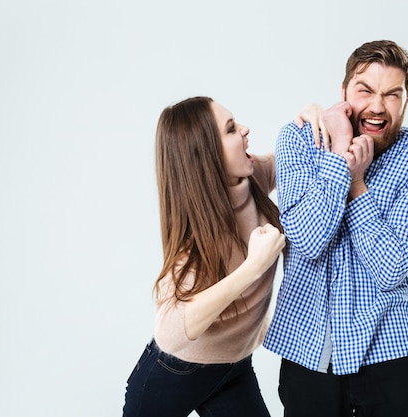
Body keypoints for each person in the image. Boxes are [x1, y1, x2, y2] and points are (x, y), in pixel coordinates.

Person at [263, 40, 408, 417]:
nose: (378, 106)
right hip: (307, 357)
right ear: (344, 92)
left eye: (392, 94)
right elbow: (307, 240)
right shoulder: (299, 139)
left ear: (406, 101)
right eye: (365, 90)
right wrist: (338, 156)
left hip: (389, 354)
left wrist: (357, 183)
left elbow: (391, 268)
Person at [121, 96, 286, 417]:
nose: (245, 129)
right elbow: (169, 330)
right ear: (206, 155)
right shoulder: (192, 243)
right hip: (174, 375)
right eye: (230, 129)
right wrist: (253, 266)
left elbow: (292, 159)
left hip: (233, 367)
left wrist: (311, 118)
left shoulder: (253, 180)